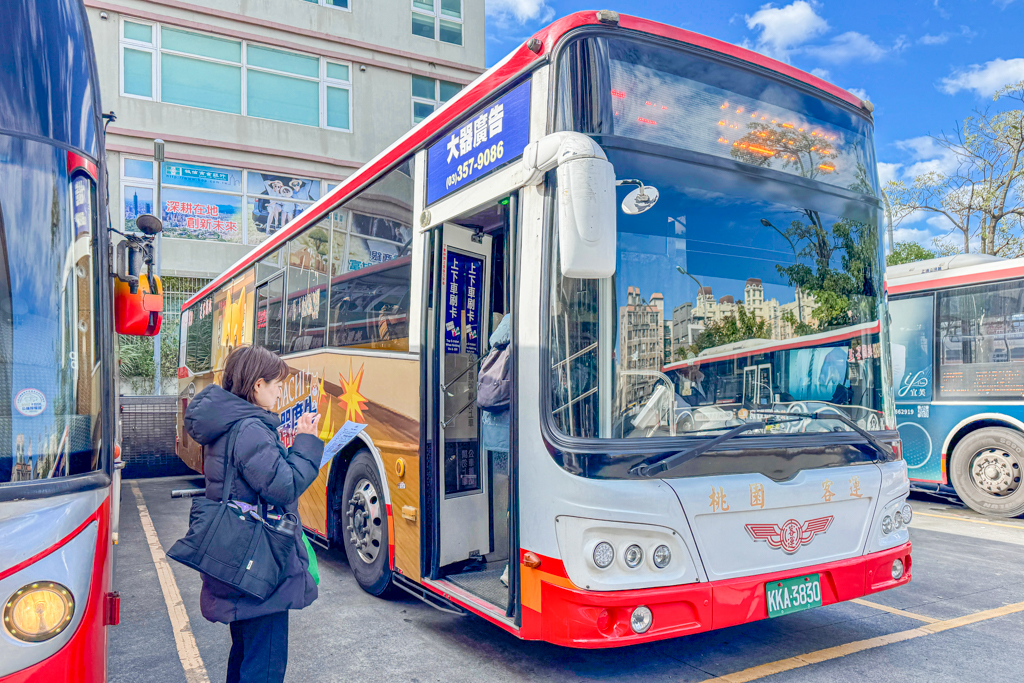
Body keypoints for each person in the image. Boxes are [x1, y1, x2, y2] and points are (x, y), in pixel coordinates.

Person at [184, 345, 323, 683]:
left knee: (245, 654)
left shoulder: (230, 425)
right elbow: (283, 487)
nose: (280, 391)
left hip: (238, 559)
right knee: (264, 665)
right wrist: (306, 444)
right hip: (260, 566)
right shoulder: (250, 428)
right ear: (257, 385)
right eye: (276, 383)